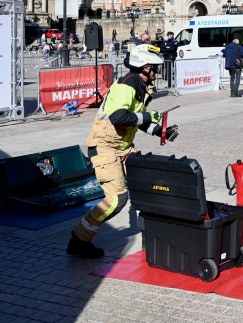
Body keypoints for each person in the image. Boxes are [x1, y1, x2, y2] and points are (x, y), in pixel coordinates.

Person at [66, 44, 179, 259]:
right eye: (155, 68)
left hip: (123, 147)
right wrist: (149, 117)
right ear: (145, 68)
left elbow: (136, 119)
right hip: (105, 148)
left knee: (148, 183)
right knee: (116, 200)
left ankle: (157, 234)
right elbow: (119, 117)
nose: (157, 72)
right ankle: (79, 241)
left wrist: (159, 131)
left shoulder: (139, 86)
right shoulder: (126, 86)